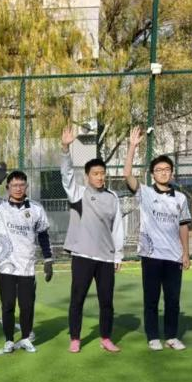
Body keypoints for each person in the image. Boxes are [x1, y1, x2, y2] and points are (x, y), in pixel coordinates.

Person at [59, 126, 125, 353]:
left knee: (106, 301)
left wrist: (118, 255)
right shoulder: (78, 193)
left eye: (102, 173)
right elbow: (67, 175)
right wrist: (65, 148)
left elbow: (117, 228)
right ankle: (75, 338)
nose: (100, 177)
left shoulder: (113, 197)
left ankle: (106, 337)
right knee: (77, 299)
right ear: (87, 176)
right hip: (83, 255)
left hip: (106, 258)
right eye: (95, 173)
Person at [125, 127, 191, 351]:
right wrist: (132, 146)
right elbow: (127, 175)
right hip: (151, 255)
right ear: (152, 174)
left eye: (166, 169)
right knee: (151, 299)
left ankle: (171, 336)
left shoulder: (180, 198)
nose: (163, 173)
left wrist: (186, 253)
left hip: (174, 256)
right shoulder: (145, 193)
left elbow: (183, 226)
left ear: (172, 173)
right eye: (159, 170)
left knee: (173, 299)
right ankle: (153, 336)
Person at [0, 162, 54, 353]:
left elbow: (43, 235)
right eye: (14, 185)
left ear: (26, 186)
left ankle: (25, 338)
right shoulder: (1, 206)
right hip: (6, 265)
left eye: (22, 185)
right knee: (7, 305)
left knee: (27, 305)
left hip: (27, 266)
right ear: (8, 187)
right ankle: (8, 340)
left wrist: (48, 259)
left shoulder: (36, 209)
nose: (18, 188)